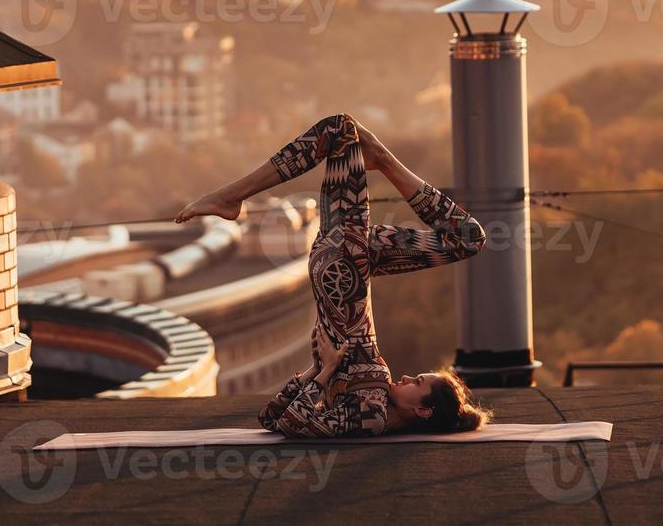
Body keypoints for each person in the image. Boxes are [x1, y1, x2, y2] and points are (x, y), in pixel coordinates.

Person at [175, 113, 493, 437]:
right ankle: (378, 157)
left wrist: (323, 371)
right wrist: (316, 371)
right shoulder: (380, 403)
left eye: (418, 383)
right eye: (417, 377)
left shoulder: (374, 417)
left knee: (341, 129)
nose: (409, 377)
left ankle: (377, 158)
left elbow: (286, 424)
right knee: (346, 132)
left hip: (343, 263)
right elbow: (269, 418)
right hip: (351, 260)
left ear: (422, 410)